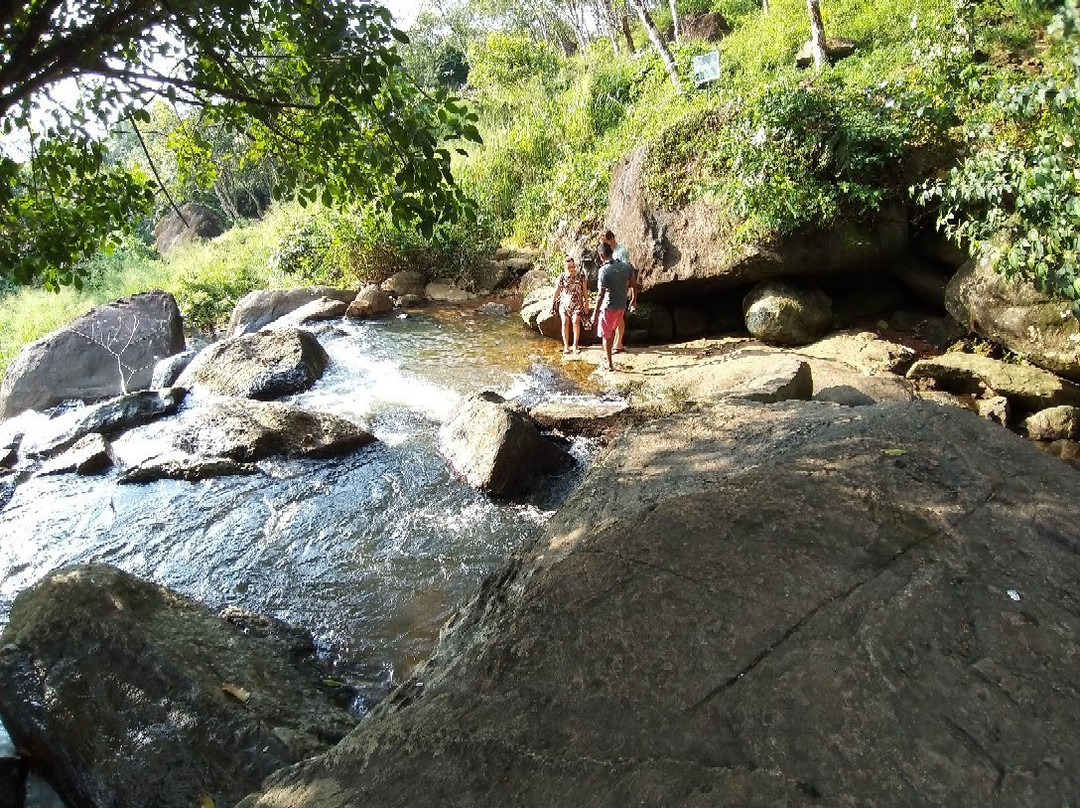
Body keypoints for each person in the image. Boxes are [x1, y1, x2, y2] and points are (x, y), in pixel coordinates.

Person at [590, 241, 632, 372]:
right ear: (611, 252)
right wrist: (634, 299)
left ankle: (609, 364)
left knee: (606, 335)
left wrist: (594, 314)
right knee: (613, 329)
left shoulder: (604, 270)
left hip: (609, 307)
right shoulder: (625, 266)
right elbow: (634, 284)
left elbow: (601, 294)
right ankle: (613, 352)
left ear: (602, 255)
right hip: (621, 305)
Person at [600, 229, 638, 352]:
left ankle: (618, 342)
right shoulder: (614, 251)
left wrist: (626, 291)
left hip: (620, 289)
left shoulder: (620, 253)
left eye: (605, 243)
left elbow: (627, 272)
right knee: (618, 317)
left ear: (611, 239)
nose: (603, 246)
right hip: (617, 289)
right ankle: (617, 342)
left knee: (619, 317)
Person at [550, 255, 589, 354]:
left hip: (577, 304)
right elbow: (557, 291)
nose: (571, 269)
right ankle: (566, 346)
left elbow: (584, 290)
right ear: (565, 267)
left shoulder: (581, 276)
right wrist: (552, 303)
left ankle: (575, 345)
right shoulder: (562, 277)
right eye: (569, 267)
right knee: (565, 322)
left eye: (572, 267)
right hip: (565, 304)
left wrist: (586, 303)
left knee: (576, 321)